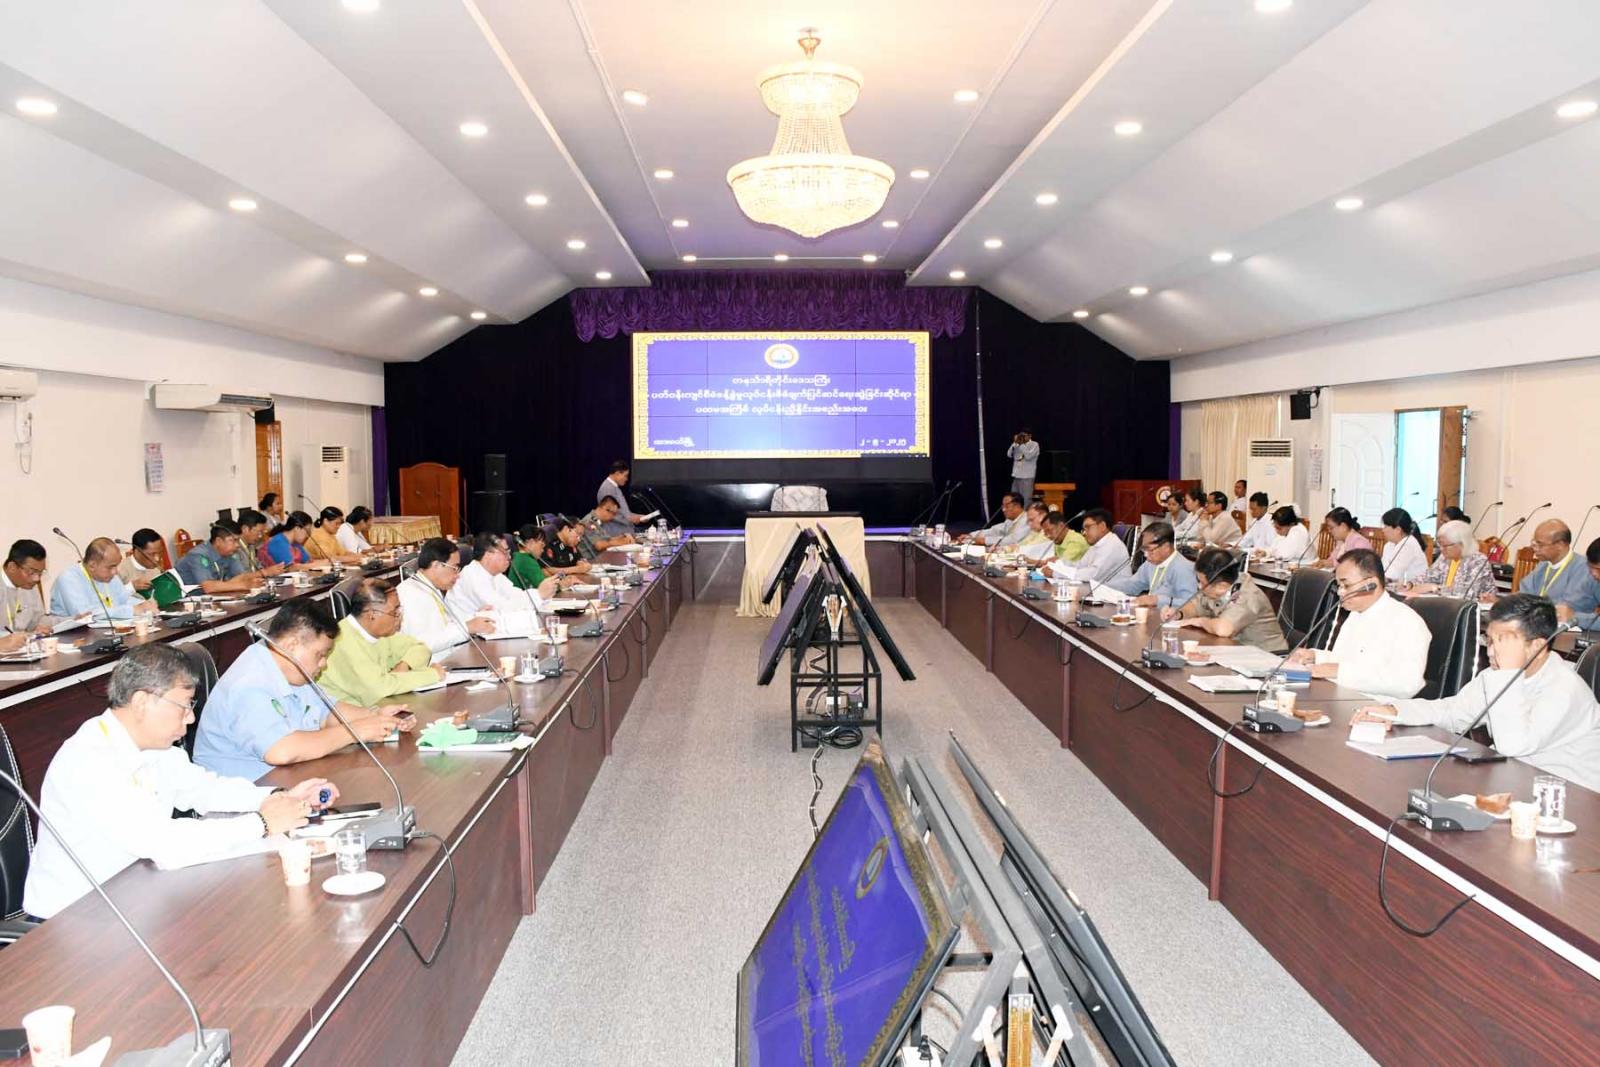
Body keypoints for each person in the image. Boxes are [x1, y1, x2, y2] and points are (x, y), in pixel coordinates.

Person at [22, 644, 338, 919]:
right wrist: (262, 823)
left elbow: (204, 789)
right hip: (73, 918)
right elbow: (164, 843)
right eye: (184, 705)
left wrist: (280, 797)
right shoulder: (90, 760)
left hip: (134, 896)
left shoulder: (151, 745)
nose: (190, 718)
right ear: (142, 702)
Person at [1353, 595, 1600, 791]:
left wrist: (1507, 672)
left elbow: (1513, 745)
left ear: (1537, 645)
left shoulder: (1564, 688)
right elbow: (1453, 712)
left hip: (1573, 798)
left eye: (1503, 642)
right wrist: (1395, 711)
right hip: (1518, 783)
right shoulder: (1497, 675)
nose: (1491, 651)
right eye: (1489, 640)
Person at [194, 599, 413, 781]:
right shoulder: (248, 684)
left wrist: (375, 716)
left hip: (287, 781)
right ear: (291, 646)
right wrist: (355, 732)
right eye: (320, 654)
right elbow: (281, 751)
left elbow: (327, 712)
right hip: (246, 797)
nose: (324, 664)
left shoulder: (289, 668)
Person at [1288, 549, 1429, 699]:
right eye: (1339, 586)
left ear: (1371, 584)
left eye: (1346, 585)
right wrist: (1315, 656)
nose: (1340, 592)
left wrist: (1338, 671)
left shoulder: (1407, 622)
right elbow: (1346, 661)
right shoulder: (1356, 614)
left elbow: (1408, 683)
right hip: (1339, 697)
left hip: (1375, 706)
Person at [320, 578, 444, 706]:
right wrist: (433, 675)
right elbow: (379, 689)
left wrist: (404, 666)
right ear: (372, 614)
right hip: (349, 713)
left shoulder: (380, 632)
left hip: (380, 706)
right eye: (394, 612)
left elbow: (420, 647)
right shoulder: (343, 641)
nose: (399, 617)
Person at [1176, 548, 1287, 652]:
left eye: (1202, 583)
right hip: (1237, 650)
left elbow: (1223, 629)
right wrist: (1179, 614)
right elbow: (1195, 606)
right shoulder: (1217, 586)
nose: (1199, 586)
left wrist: (1201, 622)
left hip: (1267, 656)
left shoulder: (1248, 595)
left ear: (1221, 586)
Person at [398, 537, 496, 653]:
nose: (457, 575)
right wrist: (467, 628)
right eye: (454, 568)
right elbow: (422, 644)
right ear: (436, 565)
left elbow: (444, 625)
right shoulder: (411, 595)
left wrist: (474, 618)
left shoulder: (429, 587)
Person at [49, 537, 156, 620]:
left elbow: (123, 599)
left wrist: (143, 604)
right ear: (92, 565)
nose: (115, 572)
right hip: (73, 636)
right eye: (111, 567)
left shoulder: (110, 575)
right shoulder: (68, 578)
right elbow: (86, 615)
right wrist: (130, 610)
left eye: (116, 566)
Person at [1108, 521, 1198, 613]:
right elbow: (1132, 585)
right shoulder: (1151, 563)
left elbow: (1192, 604)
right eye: (1144, 549)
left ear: (1166, 547)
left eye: (1150, 550)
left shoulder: (1184, 569)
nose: (1146, 555)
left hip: (1171, 618)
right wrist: (1103, 586)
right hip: (1152, 614)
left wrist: (1157, 600)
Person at [2, 539, 74, 650]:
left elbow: (38, 621)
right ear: (12, 567)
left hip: (22, 651)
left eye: (40, 573)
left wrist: (72, 620)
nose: (36, 579)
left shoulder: (28, 585)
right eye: (32, 572)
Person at [449, 532, 538, 616]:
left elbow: (515, 595)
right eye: (505, 552)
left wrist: (539, 595)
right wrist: (539, 595)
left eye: (509, 552)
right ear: (488, 555)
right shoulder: (473, 576)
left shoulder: (495, 574)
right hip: (461, 625)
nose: (509, 557)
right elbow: (500, 608)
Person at [1405, 520, 1496, 601]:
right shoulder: (1444, 558)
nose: (1441, 549)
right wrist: (1410, 584)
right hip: (1446, 605)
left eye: (1445, 546)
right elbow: (1428, 576)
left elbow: (1467, 593)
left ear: (1461, 544)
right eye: (1440, 545)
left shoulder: (1478, 561)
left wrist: (1435, 588)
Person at [1524, 520, 1595, 623]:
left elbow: (1567, 608)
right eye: (1534, 543)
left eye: (1540, 544)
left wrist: (1577, 617)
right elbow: (1525, 594)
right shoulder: (1543, 564)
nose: (1534, 548)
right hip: (1538, 623)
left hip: (1571, 628)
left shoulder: (1588, 570)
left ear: (1560, 545)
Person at [175, 521, 261, 595]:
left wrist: (255, 580)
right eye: (234, 540)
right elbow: (208, 587)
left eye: (238, 540)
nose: (237, 545)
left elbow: (241, 576)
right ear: (219, 541)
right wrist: (244, 585)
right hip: (187, 601)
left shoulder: (229, 553)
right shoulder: (198, 555)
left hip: (213, 597)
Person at [1070, 508, 1131, 584]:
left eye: (1088, 527)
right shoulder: (1096, 545)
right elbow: (1080, 565)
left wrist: (1064, 573)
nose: (1084, 533)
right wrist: (1059, 565)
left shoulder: (1112, 545)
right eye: (1083, 529)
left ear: (1102, 526)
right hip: (1100, 589)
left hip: (1115, 590)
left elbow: (1093, 574)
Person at [508, 525, 565, 597]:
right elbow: (547, 588)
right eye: (542, 545)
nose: (543, 550)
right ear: (531, 542)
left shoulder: (519, 557)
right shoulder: (526, 561)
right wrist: (563, 584)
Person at [597, 460, 651, 536]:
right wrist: (631, 519)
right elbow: (608, 514)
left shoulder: (614, 487)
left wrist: (638, 516)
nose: (626, 479)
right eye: (625, 475)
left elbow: (623, 512)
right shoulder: (607, 489)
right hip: (615, 534)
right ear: (617, 473)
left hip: (623, 533)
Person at [1378, 507, 1429, 585]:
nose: (1383, 530)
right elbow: (1382, 569)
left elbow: (1393, 575)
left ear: (1398, 530)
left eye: (1385, 526)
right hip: (1395, 586)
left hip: (1414, 587)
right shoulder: (1389, 545)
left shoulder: (1409, 545)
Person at [233, 508, 286, 578]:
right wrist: (265, 572)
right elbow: (240, 577)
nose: (260, 536)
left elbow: (258, 567)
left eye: (262, 532)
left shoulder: (251, 545)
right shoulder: (234, 549)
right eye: (259, 532)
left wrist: (276, 570)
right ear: (245, 529)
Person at [117, 529, 165, 594]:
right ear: (137, 551)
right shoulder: (120, 571)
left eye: (159, 552)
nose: (157, 559)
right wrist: (132, 587)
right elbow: (111, 597)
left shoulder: (156, 568)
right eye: (151, 554)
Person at [1006, 429, 1039, 504]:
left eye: (1024, 436)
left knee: (1026, 499)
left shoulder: (1034, 444)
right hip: (1017, 475)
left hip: (1027, 476)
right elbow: (1009, 454)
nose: (1022, 437)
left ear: (1030, 436)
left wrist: (1021, 445)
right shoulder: (1017, 444)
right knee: (1014, 499)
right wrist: (1014, 443)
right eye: (1021, 435)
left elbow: (1028, 456)